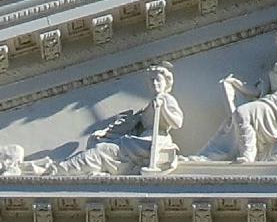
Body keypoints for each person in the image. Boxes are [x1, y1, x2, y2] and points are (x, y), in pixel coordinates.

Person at [203, 26, 277, 162]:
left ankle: (248, 154)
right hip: (272, 101)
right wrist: (235, 83)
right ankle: (248, 153)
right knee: (242, 113)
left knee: (242, 113)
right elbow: (257, 91)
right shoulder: (275, 67)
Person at [50, 63, 183, 176]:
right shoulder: (149, 106)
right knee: (101, 147)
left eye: (158, 80)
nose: (155, 83)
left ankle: (59, 170)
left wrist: (163, 108)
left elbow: (177, 122)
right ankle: (61, 169)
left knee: (102, 150)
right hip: (139, 142)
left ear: (166, 83)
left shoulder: (166, 99)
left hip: (153, 142)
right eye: (151, 80)